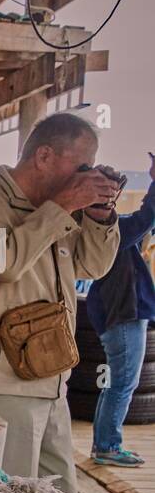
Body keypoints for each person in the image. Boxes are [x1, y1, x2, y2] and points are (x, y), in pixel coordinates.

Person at [0, 114, 121, 493]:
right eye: (81, 166)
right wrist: (61, 205)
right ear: (43, 156)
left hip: (49, 378)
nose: (84, 177)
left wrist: (98, 215)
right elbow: (0, 263)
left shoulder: (53, 209)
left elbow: (92, 266)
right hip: (1, 380)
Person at [85, 153, 155, 466]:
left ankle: (105, 444)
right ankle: (107, 447)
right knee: (122, 384)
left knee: (118, 383)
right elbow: (146, 217)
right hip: (123, 316)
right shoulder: (115, 231)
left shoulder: (106, 230)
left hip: (119, 315)